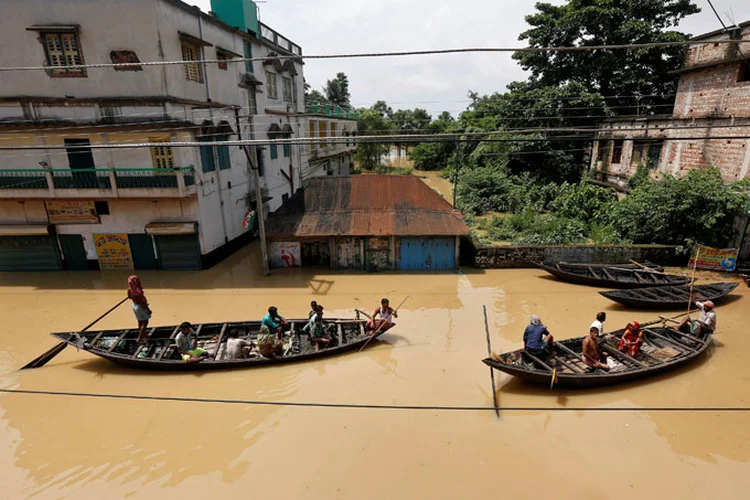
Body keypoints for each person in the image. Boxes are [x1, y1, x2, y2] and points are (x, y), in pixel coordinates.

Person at [127, 275, 152, 344]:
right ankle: (140, 338)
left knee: (140, 321)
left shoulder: (130, 289)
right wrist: (148, 309)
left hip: (134, 306)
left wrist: (133, 297)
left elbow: (129, 297)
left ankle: (144, 335)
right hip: (140, 307)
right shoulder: (138, 292)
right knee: (145, 322)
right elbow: (142, 303)